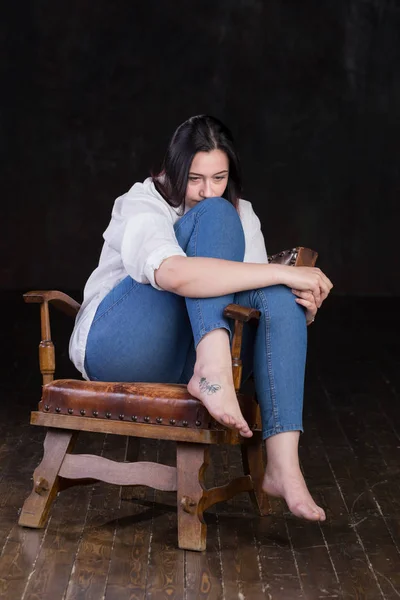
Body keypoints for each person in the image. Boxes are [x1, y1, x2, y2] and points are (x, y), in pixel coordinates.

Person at [69, 115, 333, 521]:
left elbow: (254, 302)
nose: (207, 190)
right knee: (217, 217)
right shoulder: (142, 202)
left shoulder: (244, 213)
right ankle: (212, 370)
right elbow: (173, 273)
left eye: (219, 178)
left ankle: (283, 464)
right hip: (119, 342)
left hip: (185, 354)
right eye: (194, 178)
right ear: (170, 170)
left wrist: (299, 304)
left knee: (278, 299)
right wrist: (284, 271)